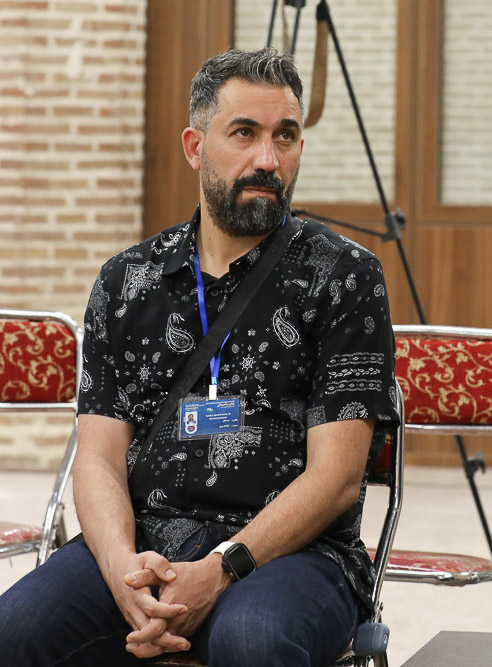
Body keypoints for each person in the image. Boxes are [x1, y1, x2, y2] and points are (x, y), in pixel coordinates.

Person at [0, 48, 398, 666]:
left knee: (253, 640)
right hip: (147, 539)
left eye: (285, 136)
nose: (267, 159)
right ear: (194, 146)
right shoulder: (127, 282)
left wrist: (220, 567)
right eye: (244, 133)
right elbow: (98, 459)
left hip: (294, 555)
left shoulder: (344, 277)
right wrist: (123, 573)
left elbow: (338, 477)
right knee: (16, 627)